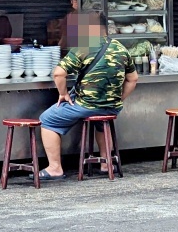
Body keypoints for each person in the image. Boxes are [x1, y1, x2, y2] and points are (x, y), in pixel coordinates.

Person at [38, 10, 138, 180]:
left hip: (86, 105)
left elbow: (58, 73)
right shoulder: (121, 48)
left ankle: (55, 168)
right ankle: (106, 163)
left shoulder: (85, 46)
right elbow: (133, 79)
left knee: (47, 119)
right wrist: (118, 99)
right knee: (101, 122)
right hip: (111, 108)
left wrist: (63, 94)